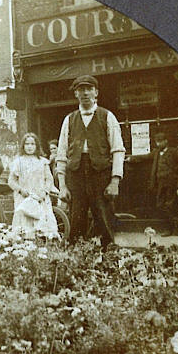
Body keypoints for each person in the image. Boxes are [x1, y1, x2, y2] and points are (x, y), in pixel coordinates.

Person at [55, 75, 125, 247]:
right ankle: (78, 265)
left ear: (96, 93)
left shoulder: (107, 116)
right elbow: (62, 154)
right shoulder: (69, 119)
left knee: (104, 220)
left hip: (100, 175)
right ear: (76, 95)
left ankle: (109, 263)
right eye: (80, 89)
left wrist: (115, 180)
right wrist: (62, 185)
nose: (85, 93)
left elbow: (118, 149)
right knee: (76, 222)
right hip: (76, 175)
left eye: (89, 89)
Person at [127, 131, 178, 235]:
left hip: (170, 183)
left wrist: (174, 178)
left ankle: (170, 229)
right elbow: (145, 157)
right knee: (160, 205)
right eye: (157, 142)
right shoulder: (156, 152)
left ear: (166, 141)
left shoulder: (173, 152)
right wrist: (131, 158)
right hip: (160, 183)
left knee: (169, 205)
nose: (158, 144)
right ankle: (176, 224)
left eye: (160, 141)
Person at [8, 132, 59, 238]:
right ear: (23, 146)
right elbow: (11, 181)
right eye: (27, 144)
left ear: (36, 146)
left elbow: (49, 179)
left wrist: (44, 191)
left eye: (32, 144)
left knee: (42, 221)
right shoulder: (18, 162)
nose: (29, 147)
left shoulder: (42, 162)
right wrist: (21, 190)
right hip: (24, 197)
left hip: (40, 197)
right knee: (24, 223)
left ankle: (44, 245)